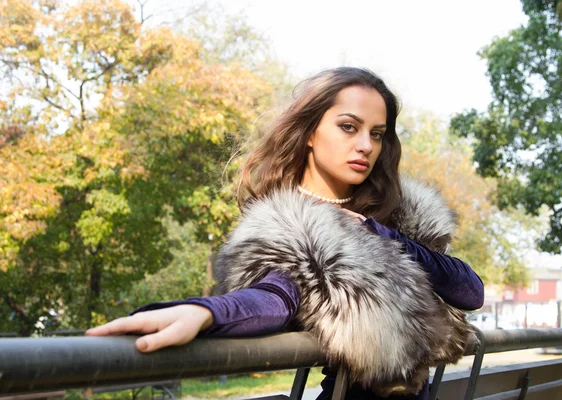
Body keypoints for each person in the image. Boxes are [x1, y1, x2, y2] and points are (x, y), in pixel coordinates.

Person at [86, 67, 484, 400]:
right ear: (310, 132)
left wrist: (384, 234)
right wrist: (205, 312)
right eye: (349, 127)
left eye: (376, 133)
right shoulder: (289, 228)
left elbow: (470, 291)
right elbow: (276, 295)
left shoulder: (401, 216)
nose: (365, 145)